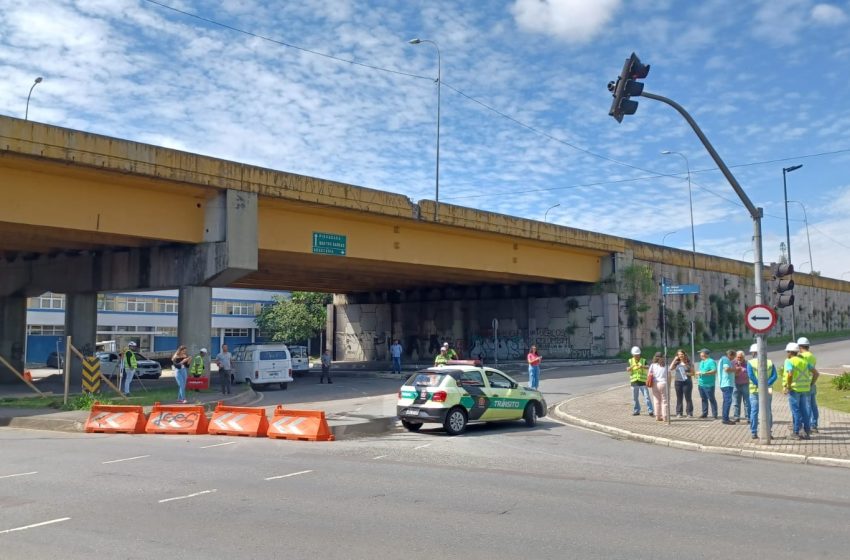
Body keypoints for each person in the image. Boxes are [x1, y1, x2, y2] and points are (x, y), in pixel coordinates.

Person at [783, 341, 816, 440]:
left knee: (796, 411)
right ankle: (806, 431)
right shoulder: (805, 361)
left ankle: (796, 432)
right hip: (804, 389)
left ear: (790, 352)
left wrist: (788, 386)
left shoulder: (789, 361)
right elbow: (816, 373)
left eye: (787, 352)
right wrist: (811, 383)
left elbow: (789, 374)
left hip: (794, 389)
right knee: (804, 410)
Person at [746, 343, 777, 439]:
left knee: (754, 411)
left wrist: (760, 385)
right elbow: (775, 376)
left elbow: (751, 376)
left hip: (754, 391)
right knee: (768, 410)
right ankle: (769, 431)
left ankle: (754, 432)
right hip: (768, 390)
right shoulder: (770, 362)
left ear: (754, 352)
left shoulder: (750, 363)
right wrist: (766, 384)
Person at [797, 337, 821, 433]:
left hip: (803, 383)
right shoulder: (812, 356)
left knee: (806, 406)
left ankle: (807, 425)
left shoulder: (801, 357)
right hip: (812, 382)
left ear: (800, 347)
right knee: (813, 404)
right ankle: (814, 424)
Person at [626, 346, 653, 416]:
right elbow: (627, 369)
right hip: (634, 382)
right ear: (633, 355)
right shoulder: (630, 361)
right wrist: (633, 366)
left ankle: (650, 410)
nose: (637, 356)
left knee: (647, 397)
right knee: (635, 398)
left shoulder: (643, 360)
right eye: (635, 355)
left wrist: (642, 366)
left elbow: (648, 367)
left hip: (643, 382)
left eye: (638, 355)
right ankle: (636, 410)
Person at [669, 349, 694, 417]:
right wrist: (674, 359)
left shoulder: (689, 363)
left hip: (687, 382)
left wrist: (686, 373)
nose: (680, 356)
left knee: (688, 398)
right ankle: (679, 412)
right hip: (678, 382)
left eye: (681, 354)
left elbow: (693, 373)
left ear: (684, 354)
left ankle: (689, 413)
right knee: (679, 398)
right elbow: (670, 368)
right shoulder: (677, 363)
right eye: (679, 355)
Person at [697, 348, 718, 419]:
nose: (700, 354)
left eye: (701, 353)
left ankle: (714, 414)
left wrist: (704, 373)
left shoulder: (711, 361)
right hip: (701, 384)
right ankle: (704, 413)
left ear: (705, 354)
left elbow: (714, 371)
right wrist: (699, 373)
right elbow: (701, 370)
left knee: (711, 399)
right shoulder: (702, 362)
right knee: (703, 399)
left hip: (709, 384)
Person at [648, 352, 668, 422]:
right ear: (662, 357)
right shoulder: (665, 365)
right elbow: (668, 375)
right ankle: (665, 417)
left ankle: (657, 417)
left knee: (656, 400)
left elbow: (649, 375)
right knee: (664, 401)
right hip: (663, 383)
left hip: (654, 384)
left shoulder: (652, 365)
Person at [718, 349, 737, 424]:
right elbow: (727, 369)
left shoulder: (722, 359)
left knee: (726, 401)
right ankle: (725, 419)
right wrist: (735, 369)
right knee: (728, 401)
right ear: (730, 355)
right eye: (734, 356)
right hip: (727, 383)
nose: (734, 358)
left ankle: (725, 417)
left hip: (724, 383)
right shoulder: (726, 360)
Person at [732, 349, 750, 422]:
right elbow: (731, 374)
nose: (739, 359)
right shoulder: (733, 363)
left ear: (743, 357)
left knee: (747, 402)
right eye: (738, 357)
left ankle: (748, 417)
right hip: (736, 384)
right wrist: (737, 370)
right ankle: (736, 417)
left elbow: (750, 373)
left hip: (745, 384)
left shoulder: (747, 363)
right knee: (736, 401)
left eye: (741, 357)